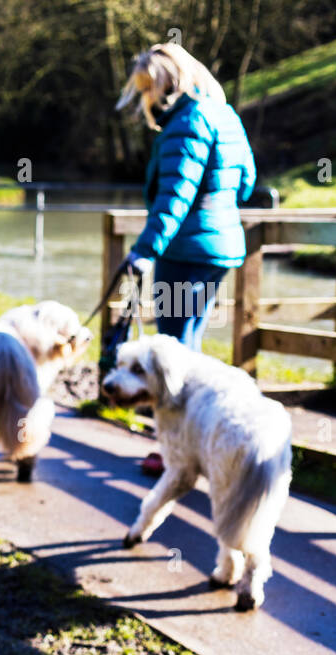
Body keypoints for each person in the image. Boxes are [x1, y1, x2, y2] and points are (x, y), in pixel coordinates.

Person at [115, 42, 258, 475]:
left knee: (172, 358)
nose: (149, 101)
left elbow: (174, 198)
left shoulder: (185, 123)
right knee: (189, 348)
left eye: (150, 89)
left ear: (167, 83)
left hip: (185, 251)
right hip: (218, 249)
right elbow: (247, 182)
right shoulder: (223, 113)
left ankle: (175, 451)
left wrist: (143, 252)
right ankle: (200, 445)